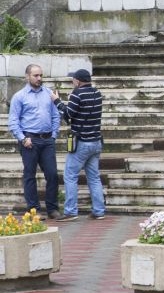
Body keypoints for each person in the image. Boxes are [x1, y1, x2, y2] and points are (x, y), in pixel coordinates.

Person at [7, 64, 62, 218]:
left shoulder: (49, 93)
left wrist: (54, 135)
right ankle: (34, 210)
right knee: (30, 175)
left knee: (52, 174)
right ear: (27, 77)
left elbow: (56, 115)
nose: (39, 78)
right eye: (36, 75)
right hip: (29, 141)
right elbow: (13, 121)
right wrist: (22, 138)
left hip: (47, 140)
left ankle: (52, 209)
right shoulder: (19, 96)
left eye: (41, 75)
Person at [51, 69, 104, 221]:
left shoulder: (77, 94)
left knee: (70, 176)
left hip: (81, 142)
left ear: (78, 81)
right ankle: (99, 211)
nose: (72, 82)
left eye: (73, 79)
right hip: (96, 141)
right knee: (94, 177)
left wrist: (57, 101)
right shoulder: (97, 93)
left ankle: (70, 211)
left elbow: (68, 115)